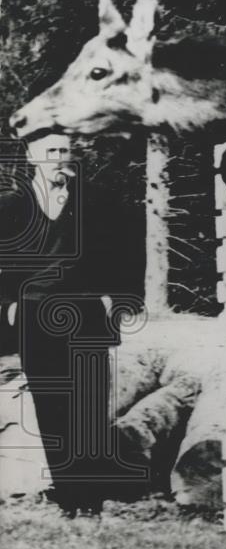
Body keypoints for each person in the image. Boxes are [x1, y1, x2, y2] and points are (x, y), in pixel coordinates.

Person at [0, 135, 143, 514]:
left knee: (89, 406)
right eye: (51, 152)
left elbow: (128, 249)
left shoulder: (97, 202)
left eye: (65, 152)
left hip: (86, 313)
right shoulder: (11, 206)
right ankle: (69, 499)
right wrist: (7, 306)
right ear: (32, 157)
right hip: (33, 315)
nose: (60, 159)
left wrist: (118, 297)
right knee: (50, 407)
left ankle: (91, 501)